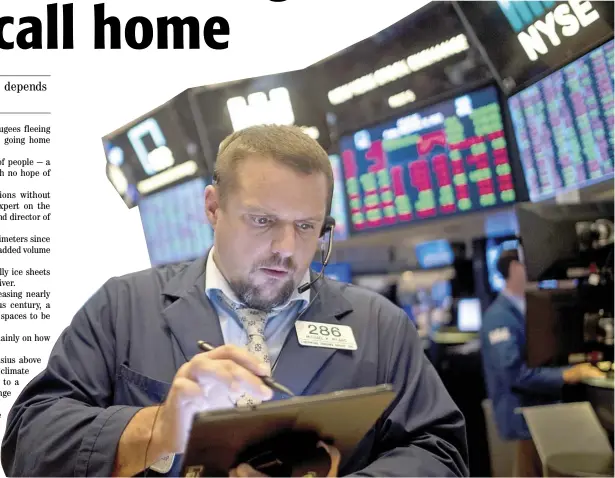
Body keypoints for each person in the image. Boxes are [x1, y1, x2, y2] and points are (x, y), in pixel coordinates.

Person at [2, 125, 469, 477]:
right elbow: (28, 439)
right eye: (262, 220)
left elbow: (440, 451)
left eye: (306, 226)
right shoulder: (123, 306)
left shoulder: (380, 326)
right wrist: (157, 428)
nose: (287, 247)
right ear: (212, 207)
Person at [480, 249, 605, 477]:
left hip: (540, 418)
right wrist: (567, 375)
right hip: (522, 423)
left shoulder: (529, 307)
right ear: (514, 268)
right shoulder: (499, 317)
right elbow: (515, 375)